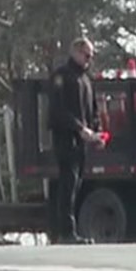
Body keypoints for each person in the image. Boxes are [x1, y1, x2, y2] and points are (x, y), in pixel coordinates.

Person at [48, 37, 103, 244]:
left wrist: (96, 132)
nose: (89, 60)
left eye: (91, 56)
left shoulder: (85, 80)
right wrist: (80, 129)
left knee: (77, 184)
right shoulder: (62, 76)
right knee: (67, 184)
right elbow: (57, 111)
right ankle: (66, 232)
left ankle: (70, 231)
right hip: (66, 139)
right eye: (86, 55)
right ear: (76, 53)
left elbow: (92, 110)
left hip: (82, 142)